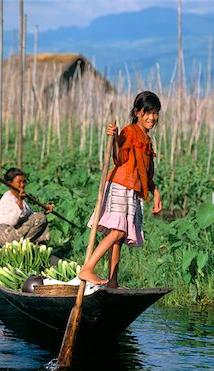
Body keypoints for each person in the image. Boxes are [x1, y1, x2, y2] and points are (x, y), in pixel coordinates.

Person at [78, 91, 162, 287]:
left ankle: (112, 282)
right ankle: (87, 269)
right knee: (117, 231)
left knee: (119, 236)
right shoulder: (129, 131)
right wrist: (115, 138)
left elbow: (146, 173)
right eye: (147, 112)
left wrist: (155, 191)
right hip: (120, 185)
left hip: (132, 189)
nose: (151, 117)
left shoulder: (147, 138)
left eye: (155, 113)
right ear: (137, 112)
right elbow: (119, 158)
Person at [0, 167, 54, 246]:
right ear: (10, 183)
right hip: (7, 235)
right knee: (40, 217)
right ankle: (27, 244)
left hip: (18, 232)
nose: (22, 185)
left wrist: (44, 212)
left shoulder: (23, 199)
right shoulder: (6, 199)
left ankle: (33, 244)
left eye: (24, 182)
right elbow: (12, 221)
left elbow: (30, 216)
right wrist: (19, 200)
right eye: (19, 182)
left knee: (41, 217)